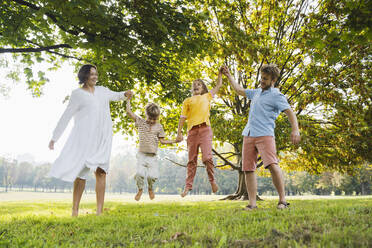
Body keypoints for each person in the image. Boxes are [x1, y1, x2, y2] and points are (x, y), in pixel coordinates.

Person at [48, 64, 132, 216]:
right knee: (81, 175)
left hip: (103, 138)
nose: (95, 76)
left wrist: (125, 93)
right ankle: (75, 210)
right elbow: (66, 116)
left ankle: (99, 212)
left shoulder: (103, 91)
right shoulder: (77, 94)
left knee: (101, 172)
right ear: (84, 76)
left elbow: (117, 95)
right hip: (85, 140)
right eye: (91, 74)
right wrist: (55, 137)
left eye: (96, 74)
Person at [221, 64, 300, 210]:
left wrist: (295, 130)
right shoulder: (256, 92)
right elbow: (239, 90)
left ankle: (282, 201)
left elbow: (290, 112)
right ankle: (252, 204)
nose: (262, 81)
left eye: (265, 79)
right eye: (261, 77)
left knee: (272, 165)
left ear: (273, 80)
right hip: (249, 134)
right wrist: (228, 75)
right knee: (248, 169)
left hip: (265, 134)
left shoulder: (277, 95)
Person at [176, 70, 223, 197]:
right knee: (191, 160)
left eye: (199, 84)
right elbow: (182, 117)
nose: (196, 85)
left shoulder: (207, 96)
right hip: (192, 132)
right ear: (192, 89)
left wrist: (220, 75)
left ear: (203, 88)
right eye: (194, 84)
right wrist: (179, 133)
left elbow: (218, 85)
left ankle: (212, 181)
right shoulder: (187, 101)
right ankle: (187, 187)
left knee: (207, 158)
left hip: (205, 130)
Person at [126, 94, 179, 201]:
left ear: (158, 118)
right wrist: (128, 100)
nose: (151, 121)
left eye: (154, 119)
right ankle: (140, 189)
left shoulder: (159, 127)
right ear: (146, 114)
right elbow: (129, 112)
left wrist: (175, 140)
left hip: (152, 157)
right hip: (141, 155)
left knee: (152, 176)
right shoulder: (140, 122)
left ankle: (150, 188)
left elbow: (163, 141)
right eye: (150, 118)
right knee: (139, 174)